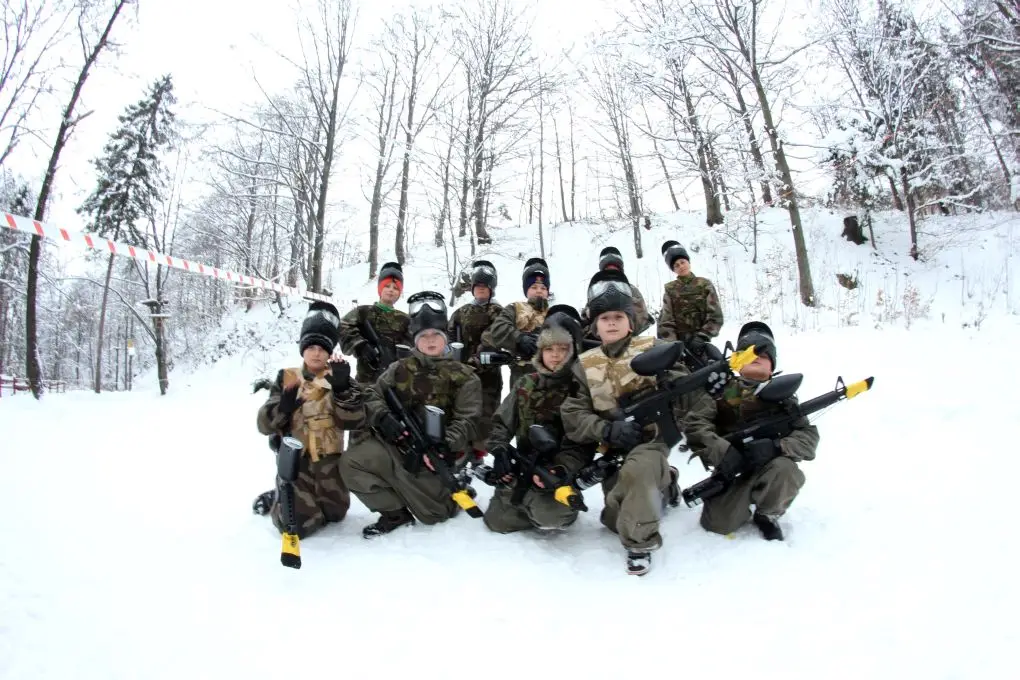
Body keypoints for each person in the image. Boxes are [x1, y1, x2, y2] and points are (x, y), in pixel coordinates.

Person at [561, 270, 692, 576]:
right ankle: (666, 484)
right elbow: (574, 412)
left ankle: (640, 544)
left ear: (631, 322)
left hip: (652, 442)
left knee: (638, 480)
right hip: (615, 447)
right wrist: (606, 429)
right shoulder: (585, 364)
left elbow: (685, 388)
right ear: (595, 325)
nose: (612, 323)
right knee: (614, 519)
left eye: (618, 317)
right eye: (605, 318)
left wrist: (673, 380)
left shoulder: (653, 348)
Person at [339, 291, 483, 538]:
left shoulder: (465, 376)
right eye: (424, 336)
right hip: (397, 446)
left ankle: (451, 491)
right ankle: (395, 512)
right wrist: (383, 418)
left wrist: (446, 444)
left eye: (435, 335)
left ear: (445, 337)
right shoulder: (399, 368)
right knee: (352, 463)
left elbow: (467, 420)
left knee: (435, 515)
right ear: (415, 340)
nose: (430, 340)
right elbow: (373, 395)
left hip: (434, 456)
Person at [683, 322, 818, 541]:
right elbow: (696, 425)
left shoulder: (783, 397)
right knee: (717, 524)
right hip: (731, 469)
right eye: (750, 353)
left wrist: (777, 447)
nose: (757, 358)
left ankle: (768, 514)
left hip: (770, 469)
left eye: (764, 356)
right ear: (738, 362)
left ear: (772, 366)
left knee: (786, 470)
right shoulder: (721, 390)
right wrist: (723, 452)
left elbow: (808, 437)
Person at [252, 301, 364, 539]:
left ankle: (295, 497)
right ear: (302, 349)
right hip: (298, 464)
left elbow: (354, 421)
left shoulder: (340, 377)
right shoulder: (287, 378)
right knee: (296, 525)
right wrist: (282, 408)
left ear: (330, 352)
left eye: (322, 348)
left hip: (330, 464)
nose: (316, 353)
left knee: (335, 515)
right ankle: (279, 496)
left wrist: (343, 390)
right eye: (311, 347)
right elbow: (263, 424)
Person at [483, 305, 594, 534]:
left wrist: (561, 468)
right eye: (549, 348)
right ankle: (524, 500)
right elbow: (501, 423)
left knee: (550, 516)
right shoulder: (526, 384)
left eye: (562, 349)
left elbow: (584, 443)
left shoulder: (580, 388)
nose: (555, 355)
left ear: (572, 351)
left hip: (558, 472)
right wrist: (500, 452)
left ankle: (542, 504)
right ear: (540, 352)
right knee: (496, 522)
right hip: (524, 463)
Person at [448, 260, 503, 462]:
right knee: (462, 411)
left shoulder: (498, 312)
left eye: (485, 287)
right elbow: (449, 335)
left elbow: (495, 337)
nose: (481, 289)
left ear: (491, 289)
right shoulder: (460, 312)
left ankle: (478, 457)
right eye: (477, 286)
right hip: (461, 372)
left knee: (485, 416)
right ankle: (461, 453)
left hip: (488, 375)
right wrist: (452, 356)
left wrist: (476, 360)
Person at [338, 261, 412, 388]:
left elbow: (413, 346)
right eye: (387, 286)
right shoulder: (363, 312)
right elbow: (341, 326)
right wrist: (361, 346)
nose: (391, 290)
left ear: (400, 293)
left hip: (395, 384)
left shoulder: (405, 319)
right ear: (380, 288)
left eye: (395, 288)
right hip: (366, 382)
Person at [481, 257, 551, 389]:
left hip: (552, 378)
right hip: (522, 378)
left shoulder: (555, 312)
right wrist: (519, 338)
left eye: (543, 287)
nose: (539, 290)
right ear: (526, 290)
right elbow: (498, 328)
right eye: (534, 287)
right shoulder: (515, 308)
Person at [656, 241, 724, 368]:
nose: (681, 266)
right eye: (676, 265)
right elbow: (666, 321)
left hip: (701, 346)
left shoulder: (704, 285)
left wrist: (702, 336)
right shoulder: (670, 289)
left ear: (688, 262)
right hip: (679, 349)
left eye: (682, 262)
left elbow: (715, 316)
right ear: (673, 270)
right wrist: (673, 347)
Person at [581, 247, 651, 338]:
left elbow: (641, 317)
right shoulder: (596, 289)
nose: (611, 270)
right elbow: (587, 316)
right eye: (608, 268)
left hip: (627, 336)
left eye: (614, 268)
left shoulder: (630, 290)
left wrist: (625, 322)